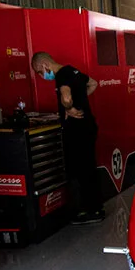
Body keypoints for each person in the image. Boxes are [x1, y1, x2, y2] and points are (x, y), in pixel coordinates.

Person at [33, 51, 102, 224]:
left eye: (40, 72)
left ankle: (87, 211)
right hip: (88, 125)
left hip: (77, 130)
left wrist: (69, 108)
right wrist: (81, 101)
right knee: (89, 167)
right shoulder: (73, 70)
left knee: (79, 170)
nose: (43, 76)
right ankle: (96, 207)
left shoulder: (61, 76)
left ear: (44, 65)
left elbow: (66, 96)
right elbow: (93, 83)